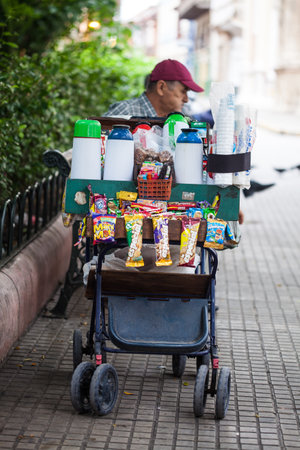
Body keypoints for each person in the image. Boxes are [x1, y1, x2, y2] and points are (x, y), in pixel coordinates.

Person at [103, 59, 204, 118]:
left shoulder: (180, 118)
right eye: (183, 91)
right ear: (161, 87)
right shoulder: (126, 113)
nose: (186, 99)